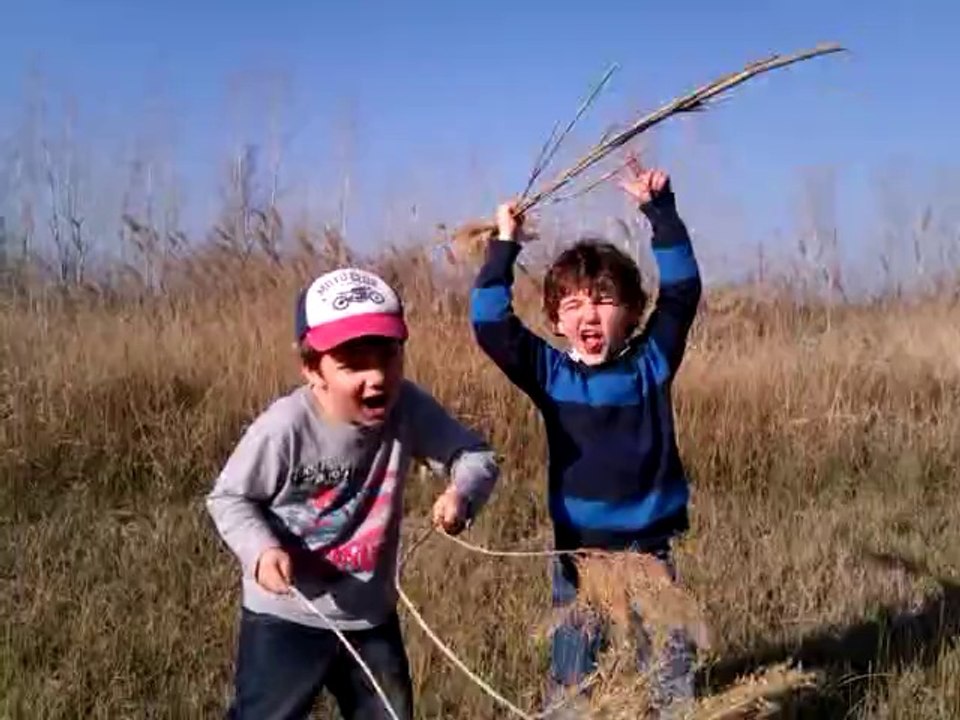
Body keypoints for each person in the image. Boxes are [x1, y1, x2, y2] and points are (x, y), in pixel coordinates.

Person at [207, 266, 500, 720]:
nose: (377, 377)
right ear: (312, 369)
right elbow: (229, 498)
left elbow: (476, 456)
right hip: (286, 616)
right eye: (353, 365)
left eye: (388, 357)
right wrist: (261, 551)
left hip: (370, 617)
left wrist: (462, 492)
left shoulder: (408, 408)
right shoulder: (284, 428)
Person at [470, 158, 702, 716]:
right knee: (573, 678)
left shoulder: (651, 364)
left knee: (669, 672)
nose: (589, 314)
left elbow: (683, 290)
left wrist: (660, 211)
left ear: (633, 311)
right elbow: (489, 323)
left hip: (649, 553)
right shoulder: (553, 375)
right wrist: (504, 245)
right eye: (573, 304)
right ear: (556, 320)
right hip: (578, 556)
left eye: (603, 299)